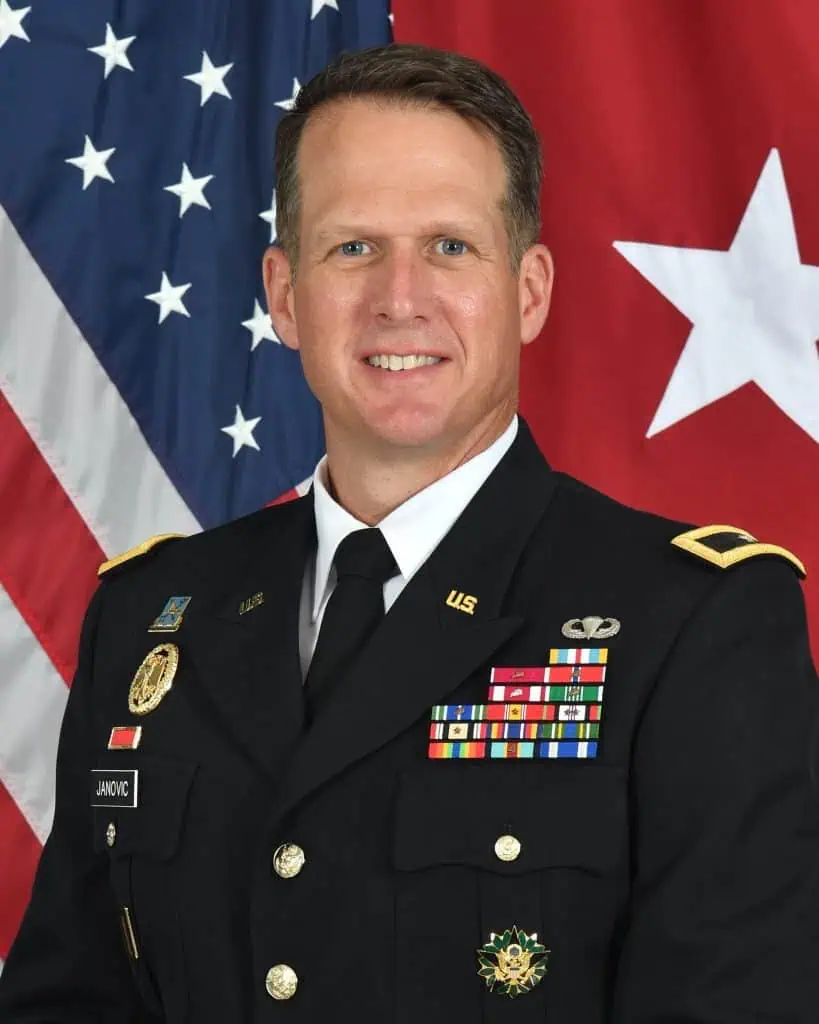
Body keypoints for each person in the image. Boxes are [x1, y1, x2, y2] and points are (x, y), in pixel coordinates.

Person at [1, 41, 818, 1024]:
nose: (399, 297)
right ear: (284, 295)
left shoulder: (692, 624)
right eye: (353, 247)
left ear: (529, 291)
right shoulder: (149, 616)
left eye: (449, 247)